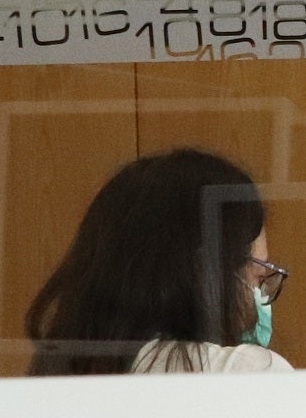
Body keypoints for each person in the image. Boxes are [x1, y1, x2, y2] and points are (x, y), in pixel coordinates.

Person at [26, 149, 292, 376]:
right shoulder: (247, 372)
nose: (259, 297)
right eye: (259, 277)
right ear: (206, 271)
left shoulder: (59, 376)